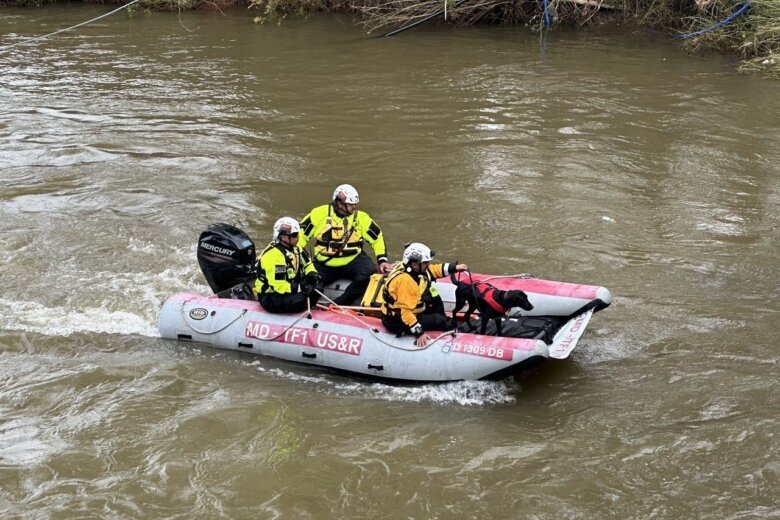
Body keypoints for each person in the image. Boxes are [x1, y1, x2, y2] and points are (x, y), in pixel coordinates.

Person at [298, 184, 392, 306]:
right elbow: (300, 237)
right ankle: (311, 305)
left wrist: (382, 260)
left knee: (369, 272)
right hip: (324, 263)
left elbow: (377, 238)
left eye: (355, 204)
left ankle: (341, 302)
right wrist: (301, 260)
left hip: (352, 260)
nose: (354, 207)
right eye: (351, 204)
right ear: (339, 203)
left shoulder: (361, 218)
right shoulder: (318, 214)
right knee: (309, 280)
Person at [381, 242, 468, 339]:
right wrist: (419, 333)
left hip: (411, 310)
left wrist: (454, 268)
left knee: (435, 299)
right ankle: (452, 330)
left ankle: (443, 320)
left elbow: (433, 270)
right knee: (438, 320)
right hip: (398, 321)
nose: (428, 264)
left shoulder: (411, 267)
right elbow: (405, 313)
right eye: (426, 263)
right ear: (414, 264)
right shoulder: (406, 282)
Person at [255, 217, 322, 314]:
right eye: (295, 235)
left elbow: (308, 264)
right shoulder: (275, 257)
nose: (298, 237)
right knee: (300, 300)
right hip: (272, 295)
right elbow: (279, 286)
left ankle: (309, 305)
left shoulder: (297, 249)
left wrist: (313, 275)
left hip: (290, 286)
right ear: (284, 237)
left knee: (317, 287)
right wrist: (300, 288)